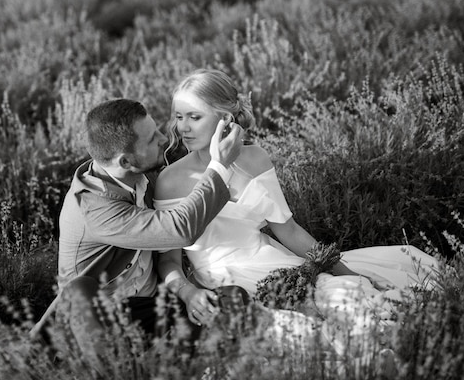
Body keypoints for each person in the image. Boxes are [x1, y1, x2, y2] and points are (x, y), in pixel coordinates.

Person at [154, 69, 439, 360]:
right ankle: (363, 360)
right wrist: (188, 293)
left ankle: (388, 346)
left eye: (194, 117)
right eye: (178, 117)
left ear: (224, 117)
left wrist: (348, 272)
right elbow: (168, 259)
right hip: (226, 282)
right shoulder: (169, 180)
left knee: (342, 295)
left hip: (275, 263)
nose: (183, 128)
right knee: (298, 331)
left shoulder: (255, 158)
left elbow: (288, 230)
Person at [31, 98, 247, 371]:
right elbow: (181, 228)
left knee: (231, 299)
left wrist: (187, 292)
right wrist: (220, 166)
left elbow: (166, 256)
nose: (164, 138)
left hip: (151, 309)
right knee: (78, 291)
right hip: (99, 323)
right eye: (151, 138)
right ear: (126, 160)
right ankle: (114, 373)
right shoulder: (93, 207)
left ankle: (179, 366)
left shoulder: (145, 174)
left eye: (157, 129)